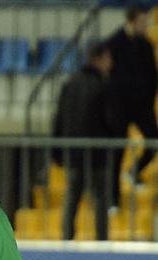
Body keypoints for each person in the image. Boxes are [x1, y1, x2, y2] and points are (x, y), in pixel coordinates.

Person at [53, 41, 120, 240]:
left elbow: (59, 118)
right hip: (98, 153)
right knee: (100, 198)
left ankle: (67, 239)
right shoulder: (104, 86)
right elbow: (111, 120)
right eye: (108, 59)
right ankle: (101, 240)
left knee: (72, 196)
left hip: (73, 152)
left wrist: (57, 150)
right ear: (98, 59)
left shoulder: (70, 84)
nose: (111, 64)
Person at [107, 4, 157, 182]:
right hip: (120, 107)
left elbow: (152, 76)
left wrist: (149, 101)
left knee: (154, 140)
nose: (147, 26)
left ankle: (134, 171)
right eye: (143, 22)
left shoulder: (146, 45)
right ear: (132, 21)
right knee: (117, 151)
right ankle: (113, 199)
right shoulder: (113, 44)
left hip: (142, 106)